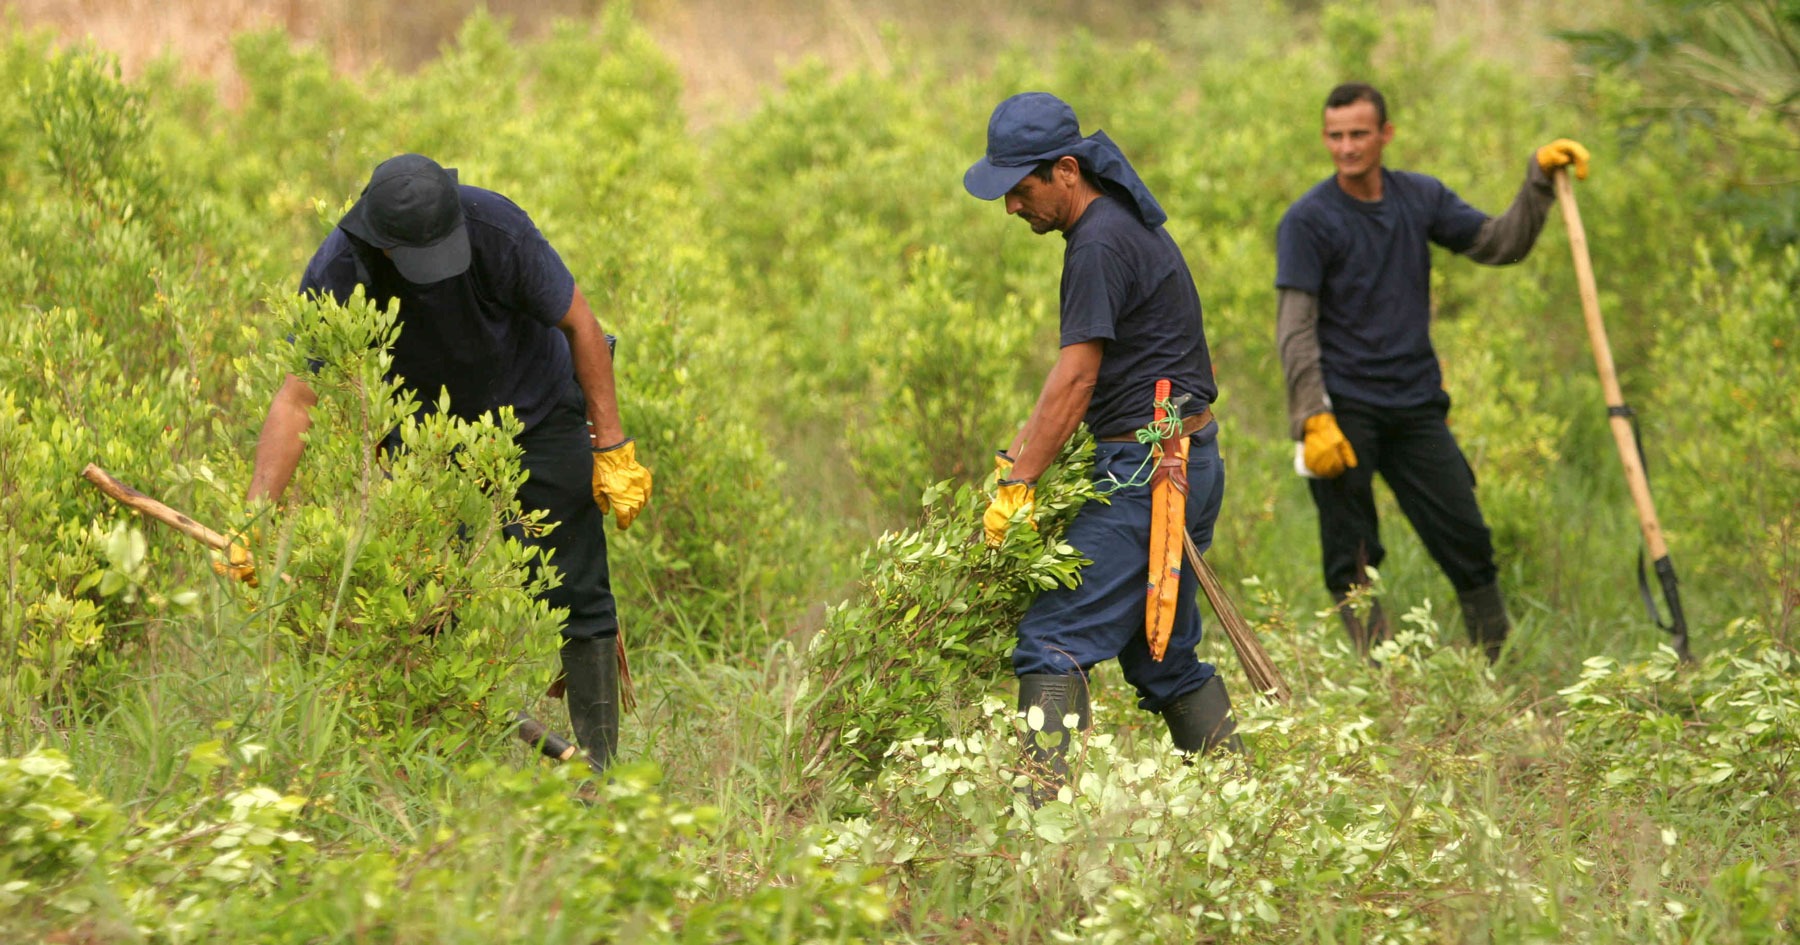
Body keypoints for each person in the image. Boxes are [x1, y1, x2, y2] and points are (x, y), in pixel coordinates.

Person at [215, 153, 652, 770]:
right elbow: (296, 399)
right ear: (380, 240)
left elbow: (580, 323)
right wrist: (255, 518)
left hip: (539, 411)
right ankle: (435, 762)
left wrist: (611, 447)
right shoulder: (340, 268)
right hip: (427, 442)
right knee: (423, 599)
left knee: (578, 586)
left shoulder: (496, 226)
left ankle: (601, 775)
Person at [964, 92, 1240, 799]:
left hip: (1149, 472)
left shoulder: (1098, 242)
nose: (1011, 207)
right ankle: (1243, 806)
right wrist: (1019, 454)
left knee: (1051, 639)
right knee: (1161, 659)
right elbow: (1072, 377)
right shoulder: (1113, 224)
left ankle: (1039, 825)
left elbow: (1078, 377)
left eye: (1020, 189)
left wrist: (1021, 485)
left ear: (1065, 170)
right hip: (1181, 460)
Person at [1275, 83, 1588, 661]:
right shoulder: (1308, 220)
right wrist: (1311, 416)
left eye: (1359, 134)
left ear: (1385, 135)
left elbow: (1498, 244)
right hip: (1343, 408)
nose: (1347, 147)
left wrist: (1538, 180)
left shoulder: (1419, 197)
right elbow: (1295, 327)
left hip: (1415, 402)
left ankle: (1495, 662)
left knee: (1466, 537)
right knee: (1351, 552)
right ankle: (1381, 676)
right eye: (1336, 136)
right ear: (1325, 138)